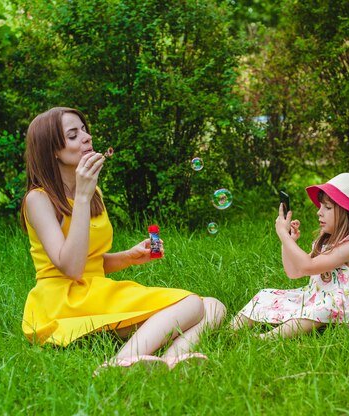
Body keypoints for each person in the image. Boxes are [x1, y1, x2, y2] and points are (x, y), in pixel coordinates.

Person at [20, 107, 226, 373]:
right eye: (73, 135)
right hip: (64, 301)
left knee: (213, 306)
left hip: (94, 291)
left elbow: (88, 261)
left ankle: (170, 363)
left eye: (84, 129)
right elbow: (70, 268)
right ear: (53, 151)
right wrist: (82, 196)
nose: (86, 137)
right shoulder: (39, 199)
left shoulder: (94, 194)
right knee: (191, 304)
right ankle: (118, 363)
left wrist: (128, 257)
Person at [231, 173, 349, 338]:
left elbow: (308, 266)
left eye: (327, 207)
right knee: (267, 294)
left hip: (343, 309)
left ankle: (265, 338)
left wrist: (283, 235)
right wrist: (288, 241)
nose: (319, 212)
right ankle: (230, 330)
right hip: (317, 298)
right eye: (320, 206)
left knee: (322, 308)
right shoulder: (326, 242)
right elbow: (295, 272)